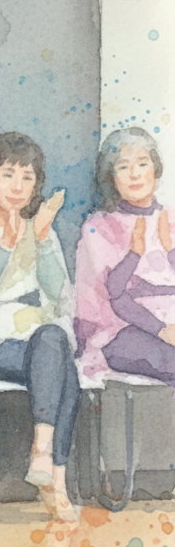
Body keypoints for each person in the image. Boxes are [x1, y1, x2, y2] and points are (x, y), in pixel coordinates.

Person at [0, 132, 80, 523]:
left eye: (27, 177)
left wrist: (41, 240)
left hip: (40, 342)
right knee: (60, 363)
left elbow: (58, 292)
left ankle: (45, 458)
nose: (17, 186)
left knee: (53, 341)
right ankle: (54, 478)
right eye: (8, 174)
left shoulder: (40, 227)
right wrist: (6, 247)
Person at [75, 127, 175, 387]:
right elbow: (117, 297)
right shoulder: (99, 226)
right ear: (112, 177)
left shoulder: (171, 217)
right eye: (123, 166)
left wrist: (171, 249)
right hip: (120, 330)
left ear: (155, 168)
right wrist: (163, 330)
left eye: (142, 163)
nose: (135, 174)